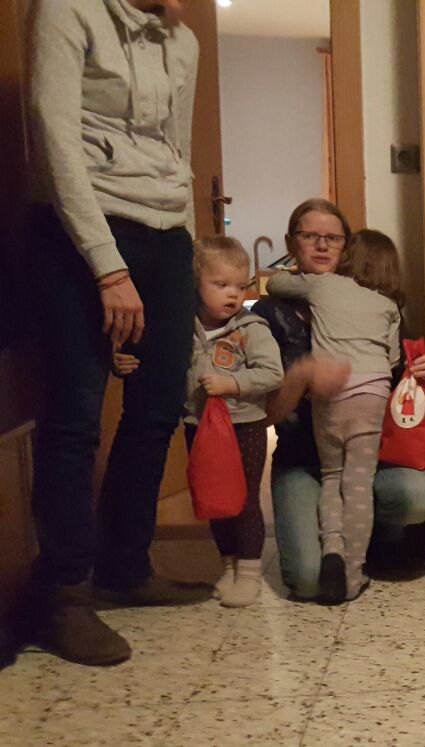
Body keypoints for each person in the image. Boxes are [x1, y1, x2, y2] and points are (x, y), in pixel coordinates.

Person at [18, 0, 205, 667]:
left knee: (158, 409)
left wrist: (186, 248)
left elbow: (178, 150)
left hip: (165, 235)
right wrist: (107, 265)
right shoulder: (65, 10)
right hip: (77, 230)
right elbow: (54, 132)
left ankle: (126, 566)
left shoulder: (183, 41)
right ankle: (64, 594)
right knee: (74, 417)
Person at [254, 200, 425, 603]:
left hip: (348, 438)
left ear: (347, 246)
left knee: (412, 492)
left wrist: (420, 370)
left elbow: (395, 373)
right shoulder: (270, 314)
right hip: (300, 460)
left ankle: (352, 548)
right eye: (310, 236)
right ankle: (350, 561)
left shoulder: (356, 298)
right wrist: (301, 376)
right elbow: (260, 416)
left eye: (333, 238)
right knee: (308, 580)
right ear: (291, 242)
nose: (322, 246)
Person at [265, 229, 404, 604]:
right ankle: (352, 575)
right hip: (371, 394)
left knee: (332, 477)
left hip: (330, 393)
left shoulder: (323, 285)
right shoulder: (389, 305)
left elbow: (275, 283)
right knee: (358, 484)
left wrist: (302, 276)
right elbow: (393, 359)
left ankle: (333, 551)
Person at [154, 237, 281, 607]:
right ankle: (229, 566)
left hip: (244, 426)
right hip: (199, 426)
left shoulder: (251, 329)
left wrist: (232, 384)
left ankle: (249, 574)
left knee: (243, 499)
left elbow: (273, 373)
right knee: (213, 497)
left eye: (240, 286)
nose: (233, 294)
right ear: (197, 284)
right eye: (222, 284)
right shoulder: (184, 326)